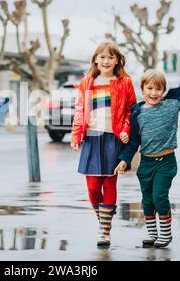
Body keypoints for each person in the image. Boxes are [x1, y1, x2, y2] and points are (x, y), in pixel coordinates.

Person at [114, 60, 180, 249]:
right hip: (146, 163)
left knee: (160, 196)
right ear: (142, 89)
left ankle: (166, 234)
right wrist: (124, 160)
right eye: (149, 88)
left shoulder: (172, 105)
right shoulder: (137, 112)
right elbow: (134, 141)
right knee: (147, 199)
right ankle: (152, 233)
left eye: (158, 89)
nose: (153, 93)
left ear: (163, 90)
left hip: (166, 163)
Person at [71, 42, 137, 247]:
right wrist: (75, 134)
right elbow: (80, 109)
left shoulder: (124, 82)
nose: (106, 61)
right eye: (102, 57)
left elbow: (131, 110)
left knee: (109, 183)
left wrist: (126, 129)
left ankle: (104, 231)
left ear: (117, 60)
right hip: (91, 137)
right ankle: (105, 221)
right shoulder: (87, 82)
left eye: (110, 57)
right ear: (95, 60)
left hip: (113, 138)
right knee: (92, 188)